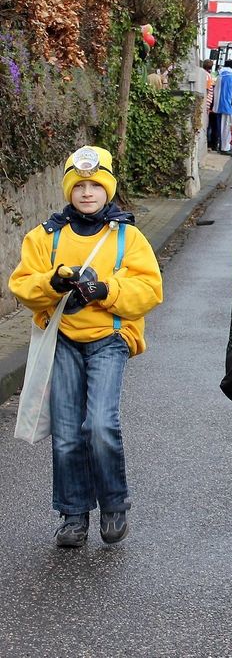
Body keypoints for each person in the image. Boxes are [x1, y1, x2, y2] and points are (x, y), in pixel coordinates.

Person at [8, 146, 163, 548]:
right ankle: (73, 514)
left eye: (96, 184)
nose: (88, 192)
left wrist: (105, 289)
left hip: (109, 340)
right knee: (65, 433)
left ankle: (113, 503)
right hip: (62, 340)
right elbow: (22, 284)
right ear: (69, 189)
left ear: (108, 188)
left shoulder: (128, 237)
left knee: (99, 424)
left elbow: (149, 290)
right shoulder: (46, 236)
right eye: (80, 185)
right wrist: (52, 284)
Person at [213, 60, 232, 154]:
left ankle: (220, 146)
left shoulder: (219, 76)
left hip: (218, 106)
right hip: (229, 106)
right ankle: (225, 148)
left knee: (220, 128)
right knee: (227, 129)